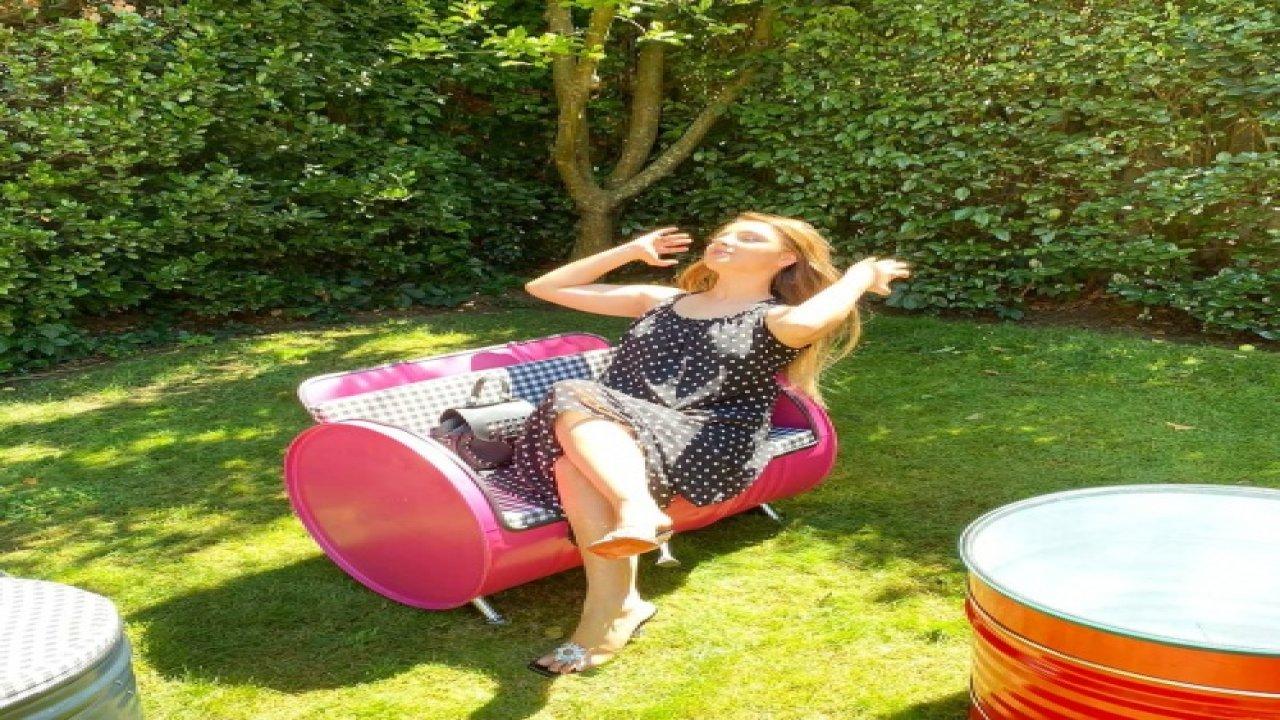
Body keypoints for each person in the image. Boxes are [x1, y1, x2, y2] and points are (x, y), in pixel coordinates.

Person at [504, 211, 910, 676]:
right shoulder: (661, 301)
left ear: (785, 259)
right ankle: (616, 608)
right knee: (572, 465)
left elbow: (813, 318)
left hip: (706, 440)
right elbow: (544, 287)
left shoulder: (777, 319)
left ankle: (635, 520)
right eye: (724, 234)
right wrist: (630, 250)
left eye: (748, 237)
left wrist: (861, 275)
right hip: (618, 434)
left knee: (573, 394)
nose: (726, 240)